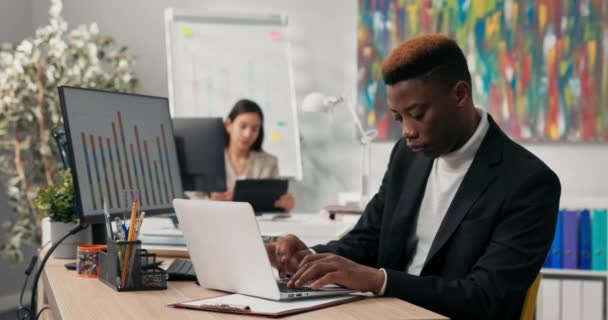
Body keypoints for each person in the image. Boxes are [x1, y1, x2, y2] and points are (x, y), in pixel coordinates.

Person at [266, 34, 560, 320]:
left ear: (460, 94)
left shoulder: (529, 183)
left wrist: (380, 281)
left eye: (417, 114)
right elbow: (366, 240)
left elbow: (485, 299)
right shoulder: (407, 157)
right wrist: (305, 258)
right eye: (398, 117)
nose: (407, 130)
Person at [187, 99, 295, 212]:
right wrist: (212, 203)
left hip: (258, 226)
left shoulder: (269, 162)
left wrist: (285, 205)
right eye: (243, 126)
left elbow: (275, 204)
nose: (248, 134)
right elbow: (191, 201)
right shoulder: (207, 159)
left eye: (255, 129)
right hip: (217, 222)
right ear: (229, 125)